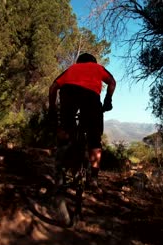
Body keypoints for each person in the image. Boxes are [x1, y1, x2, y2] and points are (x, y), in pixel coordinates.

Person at [49, 52, 116, 193]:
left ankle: (61, 164)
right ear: (93, 61)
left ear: (79, 61)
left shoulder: (72, 68)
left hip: (68, 95)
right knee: (94, 138)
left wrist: (52, 109)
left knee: (66, 129)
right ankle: (93, 179)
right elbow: (112, 82)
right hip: (90, 98)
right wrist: (108, 100)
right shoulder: (98, 67)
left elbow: (53, 87)